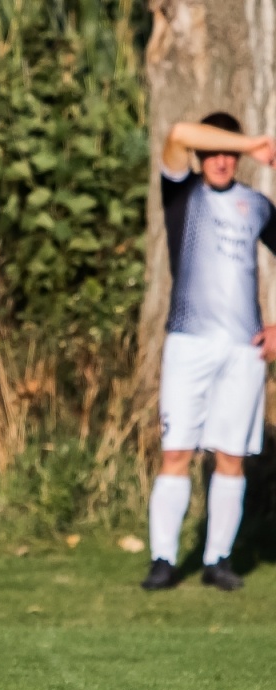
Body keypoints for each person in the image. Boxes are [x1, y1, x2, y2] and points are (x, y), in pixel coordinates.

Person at [142, 113, 276, 592]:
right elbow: (177, 133)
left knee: (231, 457)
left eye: (230, 155)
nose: (221, 161)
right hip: (188, 343)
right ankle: (163, 559)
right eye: (213, 152)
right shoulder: (182, 194)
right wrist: (254, 141)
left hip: (242, 351)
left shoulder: (257, 205)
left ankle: (219, 560)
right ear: (201, 158)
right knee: (175, 452)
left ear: (237, 160)